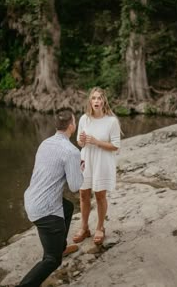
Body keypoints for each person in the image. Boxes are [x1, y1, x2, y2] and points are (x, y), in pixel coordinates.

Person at [17, 110, 84, 287]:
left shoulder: (45, 143)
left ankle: (60, 247)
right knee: (52, 260)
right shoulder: (71, 151)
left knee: (68, 207)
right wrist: (79, 169)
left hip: (30, 198)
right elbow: (75, 186)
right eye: (74, 122)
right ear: (71, 126)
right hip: (44, 210)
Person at [73, 87, 121, 245]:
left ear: (104, 101)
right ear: (90, 101)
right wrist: (81, 140)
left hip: (102, 162)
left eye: (99, 98)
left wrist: (96, 142)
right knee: (83, 194)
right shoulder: (84, 119)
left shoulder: (111, 121)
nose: (96, 101)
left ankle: (100, 227)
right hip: (86, 161)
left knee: (100, 196)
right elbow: (80, 143)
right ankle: (84, 228)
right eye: (94, 98)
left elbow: (116, 146)